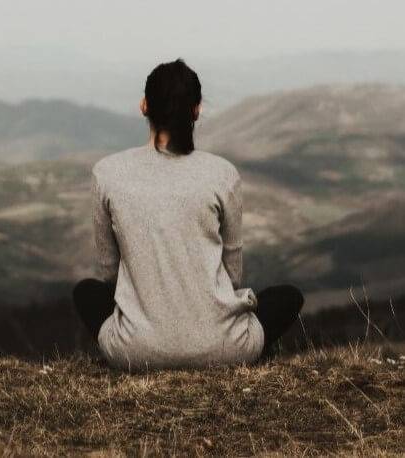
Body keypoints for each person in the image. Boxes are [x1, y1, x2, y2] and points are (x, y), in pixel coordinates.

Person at [73, 58, 304, 372]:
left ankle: (148, 341)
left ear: (143, 106)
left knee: (86, 292)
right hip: (225, 349)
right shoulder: (223, 173)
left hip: (134, 351)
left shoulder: (107, 173)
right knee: (288, 297)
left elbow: (109, 272)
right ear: (196, 111)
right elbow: (233, 275)